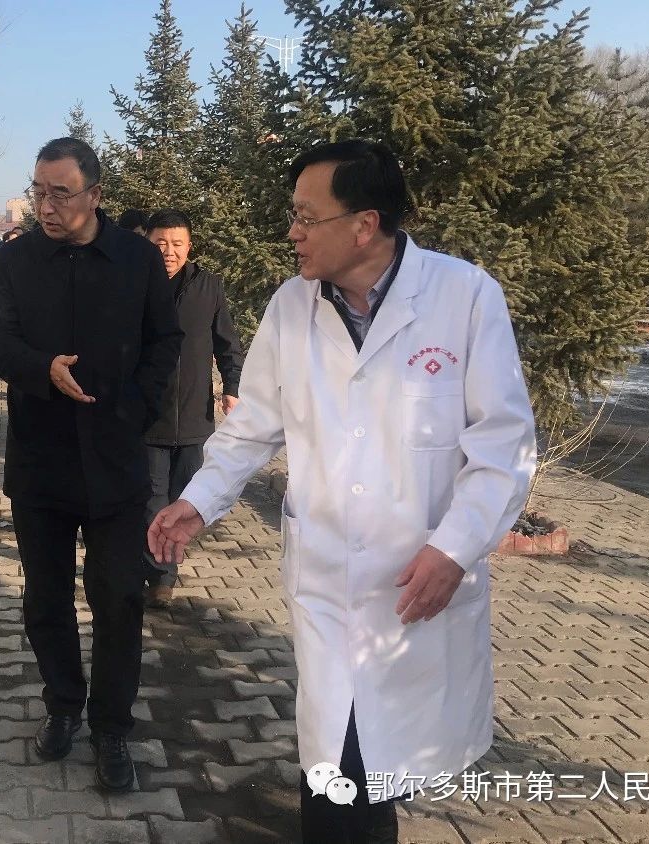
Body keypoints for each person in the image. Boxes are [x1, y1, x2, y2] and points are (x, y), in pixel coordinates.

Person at [148, 140, 536, 843]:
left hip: (418, 580)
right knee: (337, 764)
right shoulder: (291, 306)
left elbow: (503, 445)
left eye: (306, 216)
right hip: (328, 579)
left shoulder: (464, 297)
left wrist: (455, 549)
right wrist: (198, 500)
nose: (292, 231)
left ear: (364, 225)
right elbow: (252, 425)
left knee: (366, 771)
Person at [0, 137, 182, 792]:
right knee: (45, 598)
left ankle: (112, 727)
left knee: (118, 598)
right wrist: (41, 368)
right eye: (39, 192)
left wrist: (137, 407)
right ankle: (63, 704)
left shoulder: (136, 258)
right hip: (41, 461)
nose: (46, 206)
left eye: (60, 194)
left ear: (94, 195)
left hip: (115, 459)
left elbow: (165, 340)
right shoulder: (15, 261)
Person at [140, 209, 243, 608]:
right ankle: (160, 575)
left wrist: (231, 387)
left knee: (182, 497)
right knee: (152, 498)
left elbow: (227, 343)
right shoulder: (134, 285)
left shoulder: (208, 286)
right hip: (149, 416)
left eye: (177, 244)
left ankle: (161, 569)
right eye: (160, 243)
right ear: (147, 244)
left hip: (194, 415)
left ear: (189, 246)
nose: (169, 251)